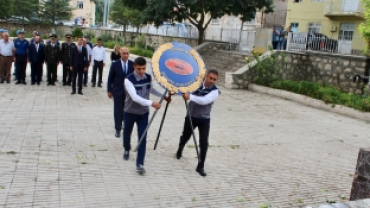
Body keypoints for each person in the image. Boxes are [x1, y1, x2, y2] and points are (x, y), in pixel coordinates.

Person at [123, 57, 170, 175]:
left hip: (143, 113)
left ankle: (140, 164)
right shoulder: (128, 80)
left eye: (143, 68)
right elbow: (134, 97)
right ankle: (127, 148)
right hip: (130, 112)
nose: (141, 71)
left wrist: (162, 96)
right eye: (139, 69)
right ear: (134, 67)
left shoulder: (148, 77)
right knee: (127, 133)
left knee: (143, 137)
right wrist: (152, 103)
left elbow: (151, 90)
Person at [176, 69, 220, 177]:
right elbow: (185, 89)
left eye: (214, 79)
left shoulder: (215, 91)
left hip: (204, 119)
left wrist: (189, 97)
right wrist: (183, 93)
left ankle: (201, 166)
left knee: (204, 142)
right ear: (206, 76)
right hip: (191, 116)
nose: (212, 81)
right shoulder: (196, 84)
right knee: (185, 136)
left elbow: (204, 100)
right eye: (210, 78)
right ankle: (180, 148)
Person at [107, 47, 134, 138]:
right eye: (124, 53)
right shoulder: (115, 64)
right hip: (117, 91)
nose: (126, 55)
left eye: (127, 53)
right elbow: (110, 78)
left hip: (129, 92)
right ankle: (118, 129)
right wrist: (109, 90)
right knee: (118, 110)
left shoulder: (132, 64)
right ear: (120, 54)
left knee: (127, 110)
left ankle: (125, 126)